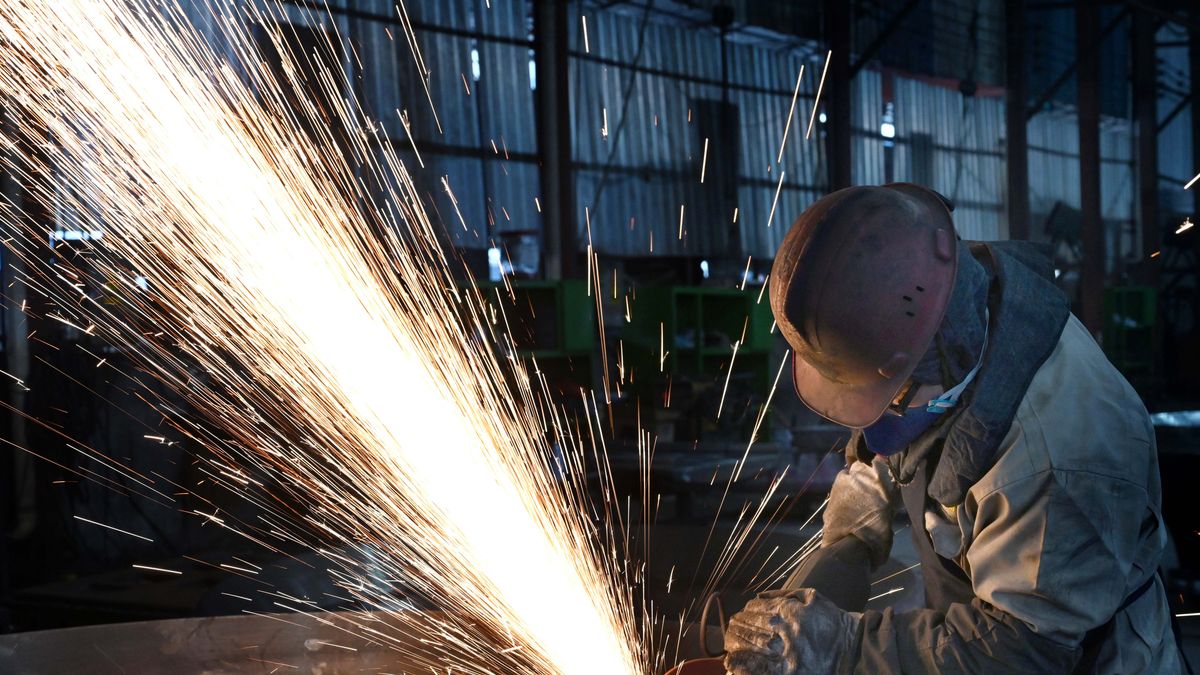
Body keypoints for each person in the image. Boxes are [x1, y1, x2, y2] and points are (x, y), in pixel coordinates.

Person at [722, 184, 1184, 674]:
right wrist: (859, 517)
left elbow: (1022, 650)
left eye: (890, 399)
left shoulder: (1055, 462)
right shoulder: (951, 293)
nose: (880, 424)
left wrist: (847, 646)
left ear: (939, 355)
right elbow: (905, 424)